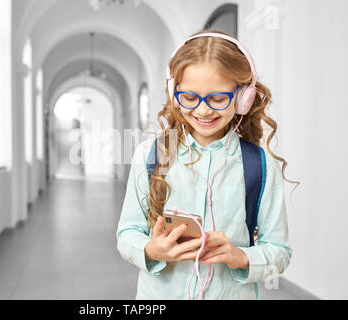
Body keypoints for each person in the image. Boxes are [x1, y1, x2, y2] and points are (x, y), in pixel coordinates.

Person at [116, 30, 295, 300]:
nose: (202, 111)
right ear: (173, 92)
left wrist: (241, 257)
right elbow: (127, 233)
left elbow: (279, 251)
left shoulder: (259, 164)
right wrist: (152, 251)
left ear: (244, 96)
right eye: (190, 97)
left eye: (218, 98)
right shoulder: (150, 155)